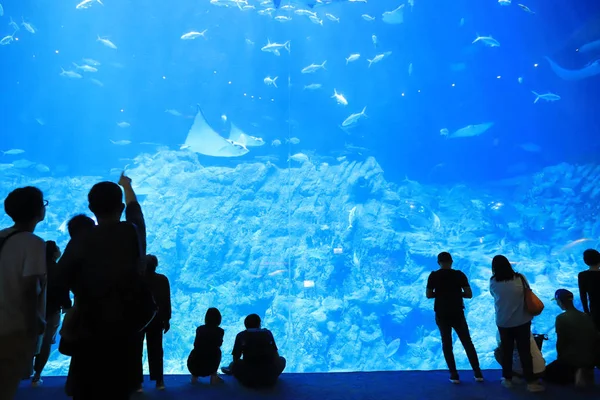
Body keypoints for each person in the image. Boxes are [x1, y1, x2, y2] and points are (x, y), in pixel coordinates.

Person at [57, 173, 150, 400]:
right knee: (120, 389)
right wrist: (127, 185)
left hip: (89, 330)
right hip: (125, 330)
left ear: (90, 207)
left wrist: (75, 299)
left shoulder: (81, 240)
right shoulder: (132, 233)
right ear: (119, 207)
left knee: (86, 388)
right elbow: (135, 210)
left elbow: (60, 275)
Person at [0, 187, 47, 400]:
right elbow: (30, 288)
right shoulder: (33, 243)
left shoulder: (1, 237)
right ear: (38, 211)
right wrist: (36, 321)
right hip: (12, 327)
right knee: (6, 386)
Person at [489, 255, 545, 392]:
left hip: (503, 322)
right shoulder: (520, 278)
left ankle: (508, 379)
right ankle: (531, 382)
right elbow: (527, 292)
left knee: (506, 351)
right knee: (525, 351)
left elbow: (493, 295)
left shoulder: (493, 281)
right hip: (522, 321)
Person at [426, 252, 483, 383]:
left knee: (447, 343)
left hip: (441, 313)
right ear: (451, 262)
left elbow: (428, 294)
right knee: (467, 342)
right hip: (457, 312)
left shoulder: (433, 276)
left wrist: (440, 293)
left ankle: (454, 375)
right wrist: (456, 293)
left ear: (438, 262)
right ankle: (478, 373)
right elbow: (469, 294)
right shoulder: (459, 275)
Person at [30, 241, 72, 387]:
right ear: (55, 253)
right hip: (53, 311)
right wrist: (67, 306)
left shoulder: (35, 268)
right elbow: (63, 290)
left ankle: (25, 371)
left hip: (33, 311)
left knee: (32, 340)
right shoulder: (58, 269)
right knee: (47, 342)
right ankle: (37, 375)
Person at [62, 214, 95, 397]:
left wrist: (68, 306)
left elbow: (61, 278)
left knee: (81, 360)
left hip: (81, 314)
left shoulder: (72, 251)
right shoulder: (96, 251)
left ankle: (77, 389)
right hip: (97, 317)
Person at [545, 289, 598, 387]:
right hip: (591, 358)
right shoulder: (586, 316)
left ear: (559, 301)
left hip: (573, 359)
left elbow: (561, 342)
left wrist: (560, 360)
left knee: (546, 374)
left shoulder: (561, 318)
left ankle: (577, 371)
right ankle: (584, 369)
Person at [135, 254, 171, 391]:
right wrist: (167, 320)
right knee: (156, 350)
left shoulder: (138, 280)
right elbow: (167, 302)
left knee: (137, 351)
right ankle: (159, 381)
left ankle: (137, 383)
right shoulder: (162, 280)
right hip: (156, 320)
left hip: (138, 321)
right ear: (156, 265)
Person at [223, 314, 286, 388]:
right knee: (282, 360)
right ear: (259, 324)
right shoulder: (267, 333)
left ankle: (232, 370)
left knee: (233, 364)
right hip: (269, 378)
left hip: (248, 379)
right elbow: (276, 356)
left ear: (245, 325)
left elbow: (235, 359)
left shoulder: (241, 336)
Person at [188, 307, 225, 385]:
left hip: (194, 365)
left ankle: (194, 377)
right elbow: (219, 344)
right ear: (219, 319)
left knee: (198, 350)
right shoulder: (220, 331)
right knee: (216, 351)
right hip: (210, 367)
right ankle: (214, 377)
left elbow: (196, 344)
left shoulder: (199, 329)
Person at [578, 249, 600, 331]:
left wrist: (586, 312)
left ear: (585, 261)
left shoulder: (582, 275)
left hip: (595, 311)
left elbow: (583, 296)